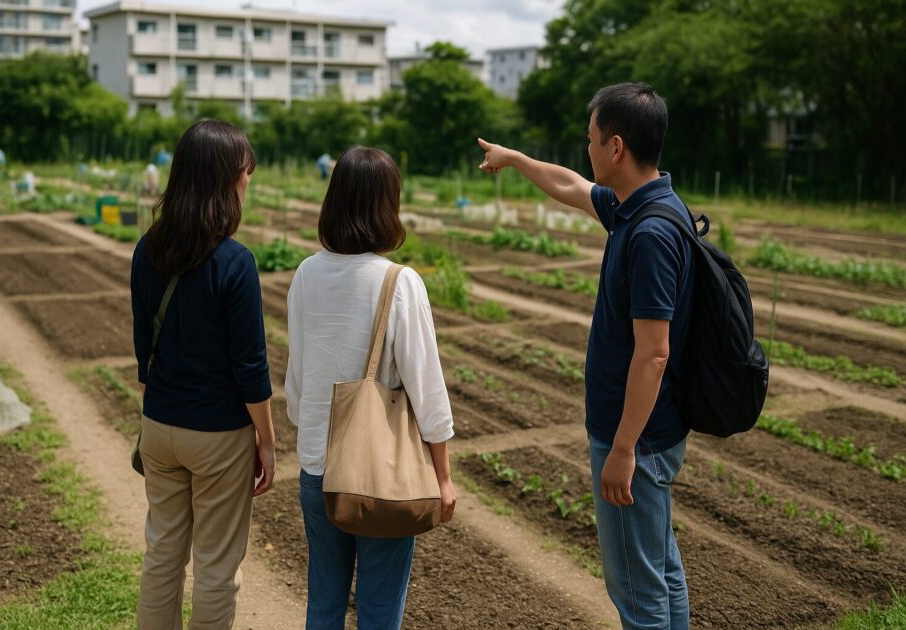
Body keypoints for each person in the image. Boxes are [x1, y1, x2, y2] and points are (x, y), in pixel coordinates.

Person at [478, 82, 694, 629]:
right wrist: (517, 159)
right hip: (651, 431)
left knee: (637, 591)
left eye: (592, 140)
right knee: (661, 569)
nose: (588, 151)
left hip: (636, 438)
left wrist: (623, 448)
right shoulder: (643, 206)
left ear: (616, 147)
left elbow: (654, 354)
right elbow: (570, 185)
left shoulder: (648, 233)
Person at [285, 146, 457, 629]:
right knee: (380, 609)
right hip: (378, 477)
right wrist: (442, 476)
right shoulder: (398, 283)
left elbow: (296, 384)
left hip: (317, 468)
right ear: (388, 204)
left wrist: (314, 433)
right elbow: (427, 390)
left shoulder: (305, 274)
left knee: (323, 601)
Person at [131, 119, 276, 630]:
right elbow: (251, 368)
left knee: (163, 554)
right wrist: (267, 441)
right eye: (244, 172)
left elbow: (143, 354)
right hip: (217, 436)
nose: (248, 181)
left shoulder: (147, 249)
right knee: (216, 567)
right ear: (225, 179)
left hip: (160, 429)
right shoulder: (235, 263)